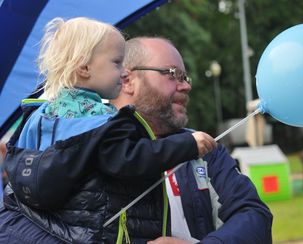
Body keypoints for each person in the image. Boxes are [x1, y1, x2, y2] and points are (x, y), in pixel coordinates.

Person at [0, 18, 216, 243]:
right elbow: (131, 158)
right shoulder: (100, 123)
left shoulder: (38, 116)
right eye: (117, 63)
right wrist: (188, 145)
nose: (124, 72)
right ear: (84, 67)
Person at [110, 37, 273, 243]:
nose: (186, 86)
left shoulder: (205, 151)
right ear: (127, 81)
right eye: (173, 74)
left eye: (185, 77)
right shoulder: (88, 151)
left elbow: (255, 217)